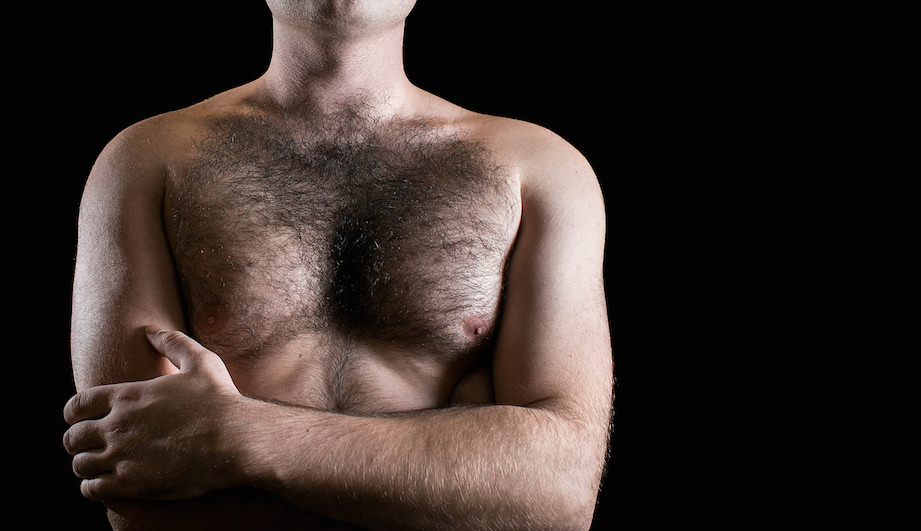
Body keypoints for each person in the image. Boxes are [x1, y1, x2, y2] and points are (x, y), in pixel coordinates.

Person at [63, 1, 613, 529]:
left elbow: (558, 494)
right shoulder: (145, 162)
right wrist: (464, 464)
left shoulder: (537, 171)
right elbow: (135, 483)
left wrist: (235, 435)